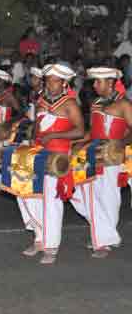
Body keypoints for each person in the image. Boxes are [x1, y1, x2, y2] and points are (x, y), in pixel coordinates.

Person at [18, 63, 84, 264]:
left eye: (55, 81)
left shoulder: (69, 104)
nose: (50, 84)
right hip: (39, 153)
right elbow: (37, 126)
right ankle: (39, 236)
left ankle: (51, 246)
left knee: (51, 202)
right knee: (26, 194)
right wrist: (31, 139)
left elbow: (81, 131)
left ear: (64, 83)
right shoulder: (41, 100)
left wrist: (55, 134)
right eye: (48, 80)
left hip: (58, 157)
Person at [70, 67, 132, 258]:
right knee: (75, 190)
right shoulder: (95, 103)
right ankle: (106, 233)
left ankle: (103, 239)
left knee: (107, 197)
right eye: (94, 81)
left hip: (111, 156)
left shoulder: (124, 104)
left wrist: (120, 143)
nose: (95, 85)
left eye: (98, 81)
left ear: (111, 83)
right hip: (91, 153)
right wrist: (77, 143)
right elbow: (92, 131)